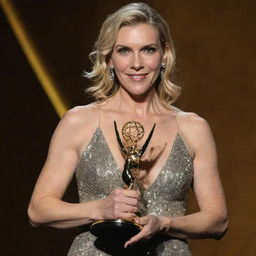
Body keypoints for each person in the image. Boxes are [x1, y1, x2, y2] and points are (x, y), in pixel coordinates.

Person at [28, 3, 228, 255]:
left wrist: (165, 223)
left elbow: (218, 220)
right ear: (108, 58)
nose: (136, 63)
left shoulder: (193, 127)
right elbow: (38, 210)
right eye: (124, 50)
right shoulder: (79, 122)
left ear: (164, 54)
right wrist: (98, 209)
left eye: (148, 50)